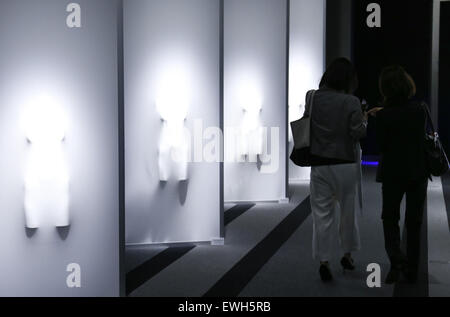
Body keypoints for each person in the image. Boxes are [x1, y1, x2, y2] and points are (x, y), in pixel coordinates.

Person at [307, 58, 368, 282]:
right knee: (347, 212)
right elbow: (357, 133)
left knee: (321, 215)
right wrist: (365, 120)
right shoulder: (351, 101)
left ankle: (324, 261)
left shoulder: (312, 97)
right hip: (345, 164)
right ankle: (347, 255)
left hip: (320, 163)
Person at [373, 66, 429, 284]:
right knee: (414, 222)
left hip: (392, 173)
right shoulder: (420, 110)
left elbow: (382, 145)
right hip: (417, 171)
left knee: (390, 218)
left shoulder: (384, 115)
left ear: (386, 88)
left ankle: (396, 262)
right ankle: (412, 269)